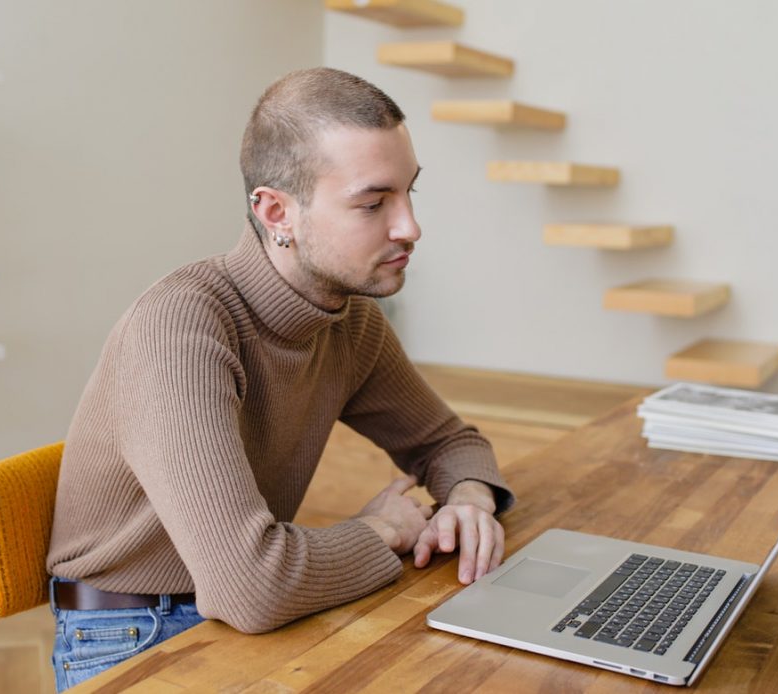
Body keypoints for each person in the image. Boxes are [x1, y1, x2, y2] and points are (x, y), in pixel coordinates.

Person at [46, 67, 515, 691]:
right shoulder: (179, 328)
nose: (409, 228)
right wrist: (382, 531)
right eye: (374, 203)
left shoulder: (348, 323)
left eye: (409, 194)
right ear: (276, 212)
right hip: (134, 636)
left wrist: (469, 502)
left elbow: (450, 444)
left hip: (249, 611)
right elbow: (252, 587)